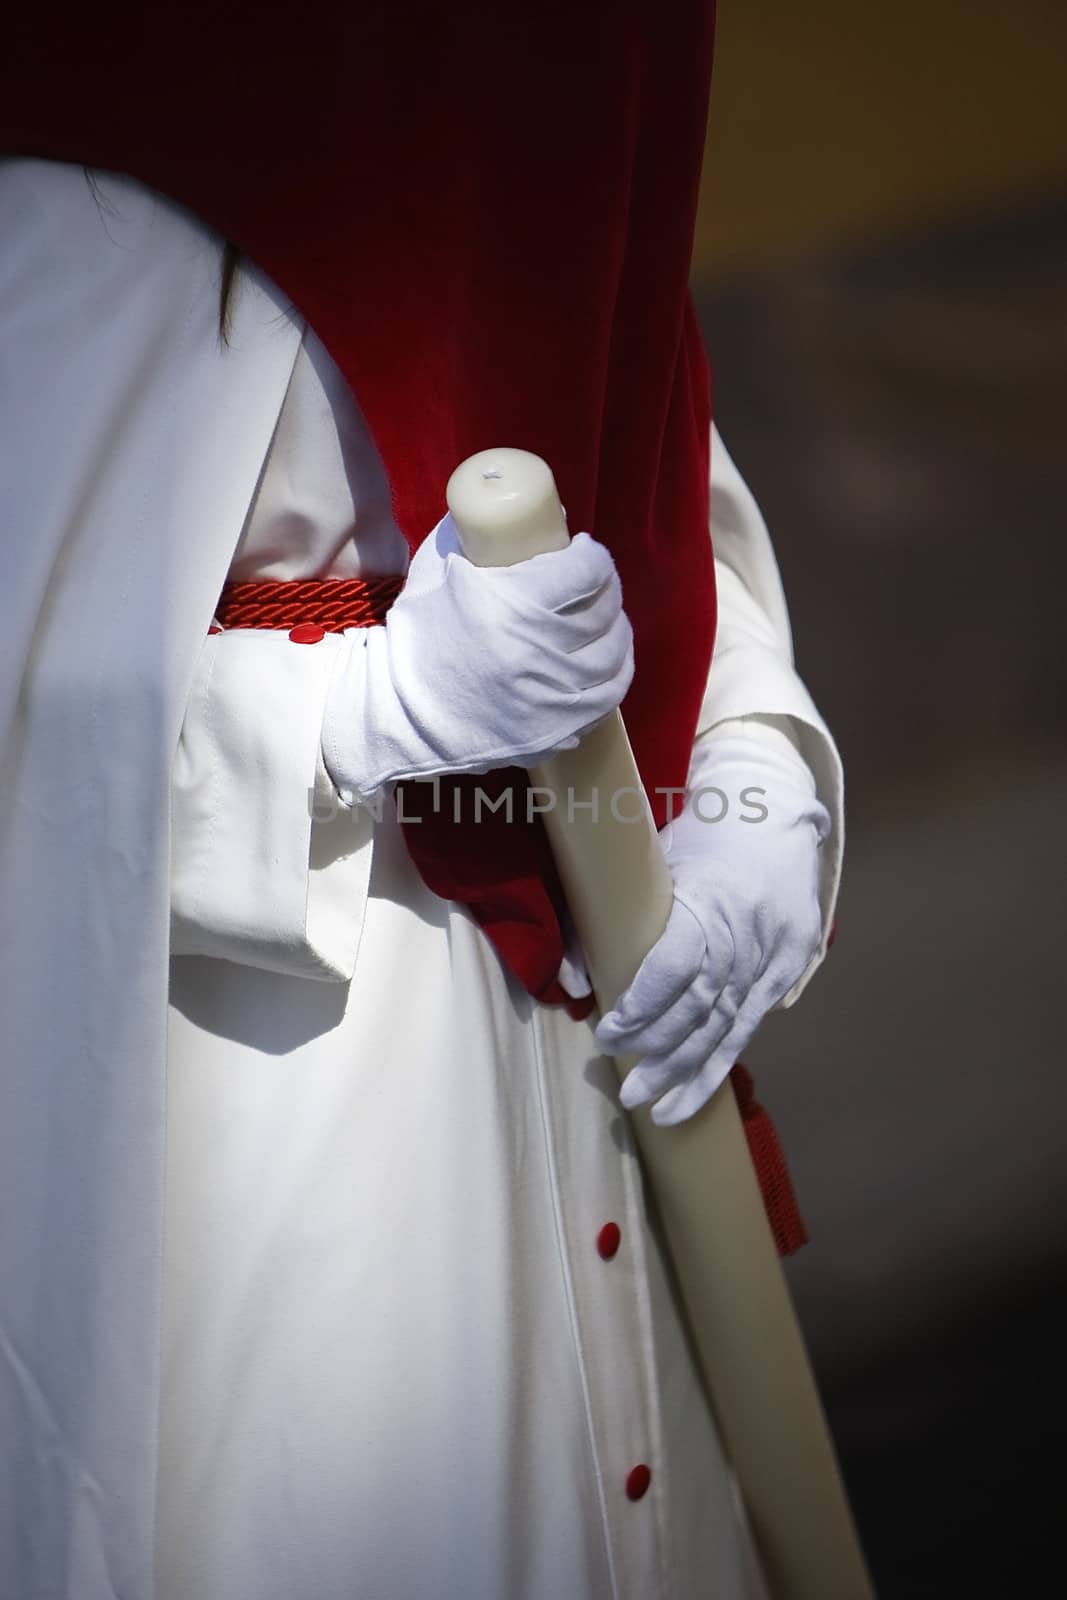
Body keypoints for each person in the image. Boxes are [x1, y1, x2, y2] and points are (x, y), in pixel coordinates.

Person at [0, 10, 842, 1598]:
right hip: (274, 1119)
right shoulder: (72, 120)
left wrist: (747, 763)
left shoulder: (551, 64)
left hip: (597, 1054)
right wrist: (353, 712)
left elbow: (649, 477)